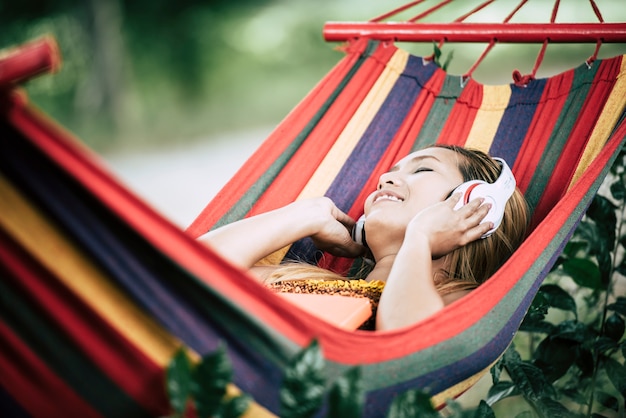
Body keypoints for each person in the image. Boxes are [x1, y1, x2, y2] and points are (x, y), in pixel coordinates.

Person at [200, 145, 529, 330]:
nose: (386, 177)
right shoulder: (304, 280)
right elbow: (182, 274)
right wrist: (307, 215)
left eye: (422, 170)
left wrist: (421, 238)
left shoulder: (460, 299)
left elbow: (404, 341)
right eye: (393, 170)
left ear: (472, 204)